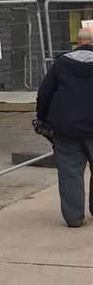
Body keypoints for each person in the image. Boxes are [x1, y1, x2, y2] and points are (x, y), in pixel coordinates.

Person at [35, 27, 93, 227]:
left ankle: (74, 218)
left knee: (70, 172)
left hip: (66, 127)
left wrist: (42, 118)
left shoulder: (61, 64)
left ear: (78, 42)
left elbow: (44, 94)